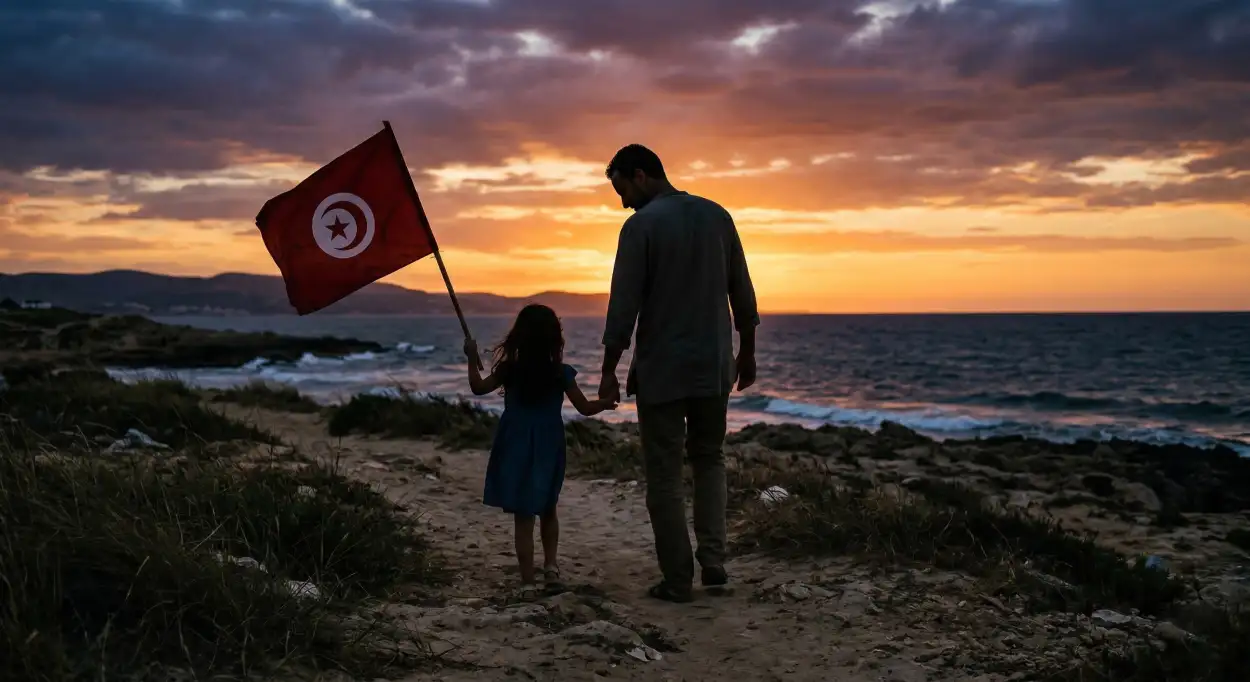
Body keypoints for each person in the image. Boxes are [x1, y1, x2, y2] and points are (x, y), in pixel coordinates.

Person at [598, 144, 759, 603]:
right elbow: (743, 293)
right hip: (713, 365)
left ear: (641, 175)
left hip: (663, 372)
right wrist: (746, 355)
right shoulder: (717, 216)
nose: (623, 201)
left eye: (622, 188)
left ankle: (676, 578)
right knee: (710, 458)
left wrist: (609, 370)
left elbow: (622, 308)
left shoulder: (640, 227)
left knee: (665, 475)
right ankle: (714, 561)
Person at [465, 304, 617, 589]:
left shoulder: (509, 370)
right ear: (554, 339)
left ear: (519, 336)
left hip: (515, 442)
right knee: (548, 506)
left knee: (523, 514)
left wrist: (472, 358)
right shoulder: (560, 373)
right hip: (548, 442)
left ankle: (527, 579)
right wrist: (605, 404)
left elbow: (478, 388)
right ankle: (550, 566)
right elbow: (584, 408)